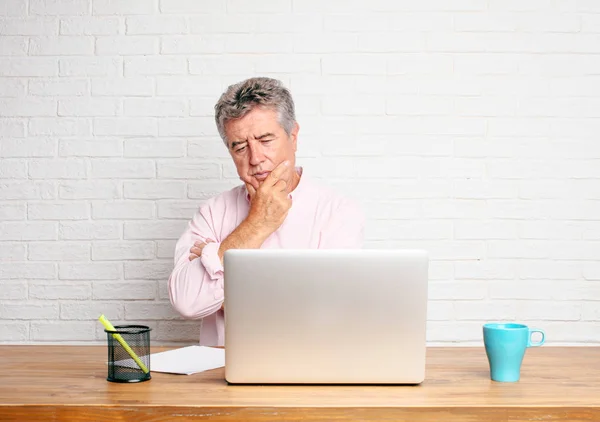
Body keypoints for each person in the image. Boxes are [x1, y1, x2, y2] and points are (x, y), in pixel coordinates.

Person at [168, 77, 365, 346]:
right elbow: (188, 303)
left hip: (309, 369)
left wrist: (229, 290)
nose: (255, 158)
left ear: (293, 137)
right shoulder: (212, 213)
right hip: (221, 375)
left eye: (265, 139)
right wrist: (257, 224)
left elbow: (333, 312)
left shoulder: (337, 213)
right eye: (239, 146)